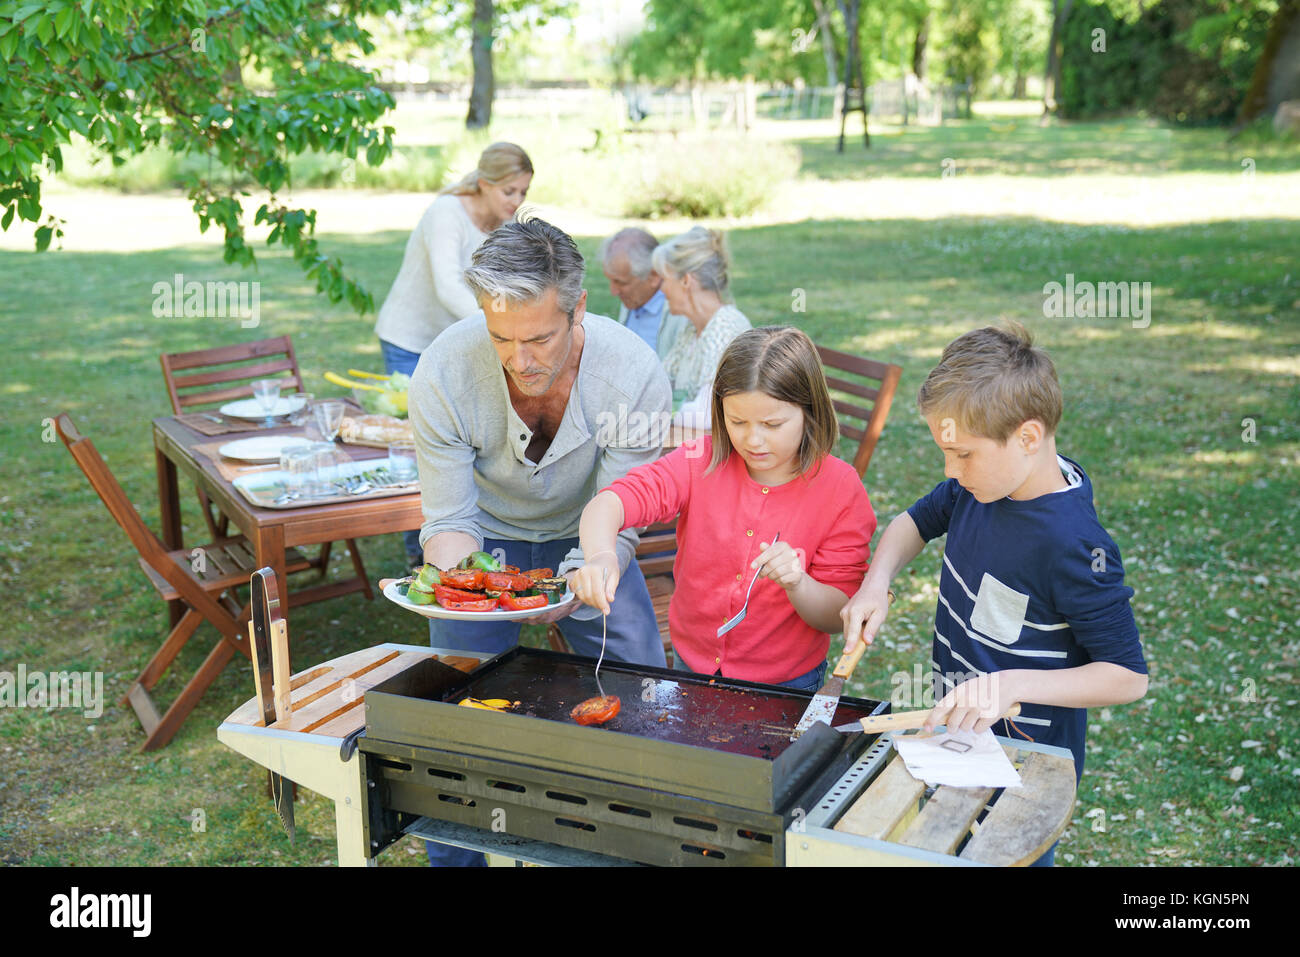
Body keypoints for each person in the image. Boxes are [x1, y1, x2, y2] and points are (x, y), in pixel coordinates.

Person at [408, 218, 671, 867]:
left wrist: (585, 570)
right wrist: (470, 583)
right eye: (501, 337)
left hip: (594, 532)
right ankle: (454, 858)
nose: (520, 359)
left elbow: (622, 510)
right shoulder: (443, 369)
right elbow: (447, 521)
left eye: (539, 338)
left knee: (643, 689)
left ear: (579, 307)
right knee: (452, 706)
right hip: (485, 540)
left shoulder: (634, 374)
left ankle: (639, 843)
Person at [838, 323, 1148, 866]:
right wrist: (876, 582)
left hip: (1024, 765)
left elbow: (1127, 676)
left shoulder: (1072, 544)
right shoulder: (980, 484)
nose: (949, 471)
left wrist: (1008, 685)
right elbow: (913, 522)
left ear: (1028, 438)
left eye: (962, 455)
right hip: (959, 736)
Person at [571, 326, 875, 691]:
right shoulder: (701, 459)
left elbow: (834, 615)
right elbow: (610, 502)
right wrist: (603, 556)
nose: (753, 439)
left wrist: (798, 583)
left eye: (772, 424)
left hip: (786, 683)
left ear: (810, 412)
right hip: (692, 664)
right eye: (737, 422)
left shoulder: (840, 489)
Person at [375, 142, 534, 567]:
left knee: (461, 435)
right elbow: (448, 286)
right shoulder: (445, 214)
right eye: (509, 192)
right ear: (483, 184)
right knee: (418, 442)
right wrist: (501, 329)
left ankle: (467, 533)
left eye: (523, 193)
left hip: (461, 342)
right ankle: (418, 552)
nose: (516, 202)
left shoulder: (504, 225)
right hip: (411, 340)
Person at [653, 226, 752, 429]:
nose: (660, 289)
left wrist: (654, 413)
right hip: (693, 445)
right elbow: (658, 386)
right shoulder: (692, 330)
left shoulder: (725, 328)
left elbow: (707, 415)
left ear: (686, 281)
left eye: (664, 279)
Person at [599, 227, 686, 359]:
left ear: (654, 276)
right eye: (611, 281)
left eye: (621, 283)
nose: (613, 291)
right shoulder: (634, 299)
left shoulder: (679, 314)